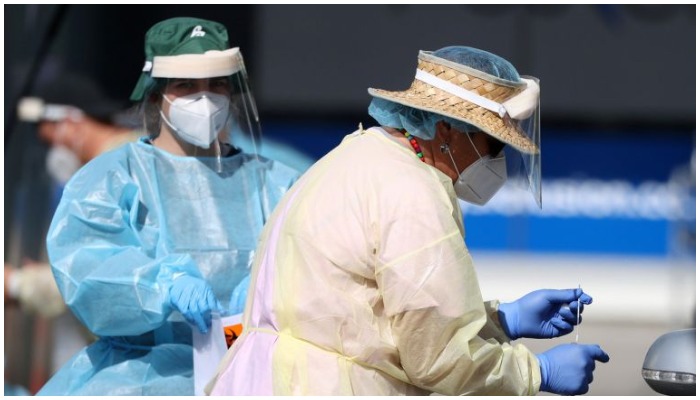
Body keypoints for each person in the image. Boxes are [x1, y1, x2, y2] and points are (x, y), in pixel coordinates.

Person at [207, 46, 609, 396]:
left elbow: (379, 319)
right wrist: (537, 371)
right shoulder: (412, 192)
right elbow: (437, 358)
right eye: (492, 142)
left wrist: (502, 320)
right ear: (448, 130)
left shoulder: (357, 156)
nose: (496, 159)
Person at [36, 17, 299, 395]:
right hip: (137, 381)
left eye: (217, 84)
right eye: (185, 85)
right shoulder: (113, 179)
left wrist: (272, 285)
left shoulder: (277, 183)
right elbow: (87, 270)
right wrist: (161, 284)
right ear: (156, 95)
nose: (205, 99)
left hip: (252, 377)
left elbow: (317, 265)